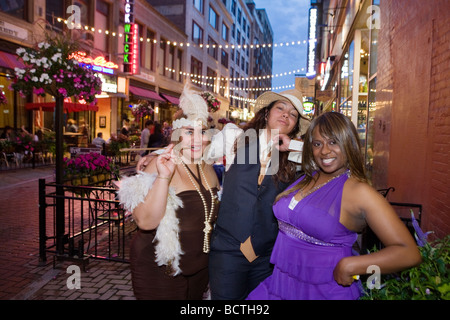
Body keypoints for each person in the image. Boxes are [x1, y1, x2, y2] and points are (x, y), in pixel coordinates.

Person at [246, 112, 422, 300]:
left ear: (349, 143)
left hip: (324, 291)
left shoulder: (358, 191)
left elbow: (409, 253)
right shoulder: (308, 176)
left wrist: (353, 265)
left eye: (333, 142)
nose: (324, 151)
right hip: (280, 285)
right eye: (317, 144)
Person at [118, 85, 220, 300]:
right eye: (189, 132)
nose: (198, 139)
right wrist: (163, 176)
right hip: (161, 266)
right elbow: (145, 222)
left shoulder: (207, 166)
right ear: (176, 134)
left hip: (199, 266)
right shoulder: (160, 163)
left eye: (203, 132)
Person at [208, 89, 310, 300]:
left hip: (266, 256)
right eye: (280, 108)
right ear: (266, 113)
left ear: (295, 125)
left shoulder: (295, 157)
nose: (285, 115)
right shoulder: (234, 137)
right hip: (228, 251)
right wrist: (158, 154)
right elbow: (194, 152)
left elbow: (328, 160)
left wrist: (293, 146)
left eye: (293, 114)